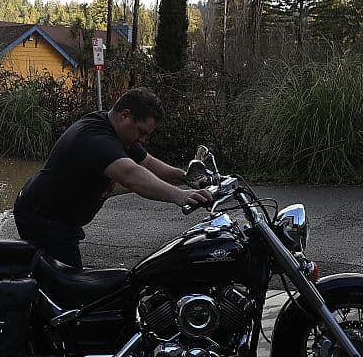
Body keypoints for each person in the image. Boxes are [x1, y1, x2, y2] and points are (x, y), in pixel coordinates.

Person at [13, 87, 213, 268]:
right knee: (69, 290)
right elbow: (132, 175)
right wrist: (181, 196)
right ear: (126, 116)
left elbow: (149, 164)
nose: (142, 139)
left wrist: (186, 177)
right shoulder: (96, 138)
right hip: (43, 218)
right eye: (142, 132)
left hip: (58, 218)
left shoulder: (117, 132)